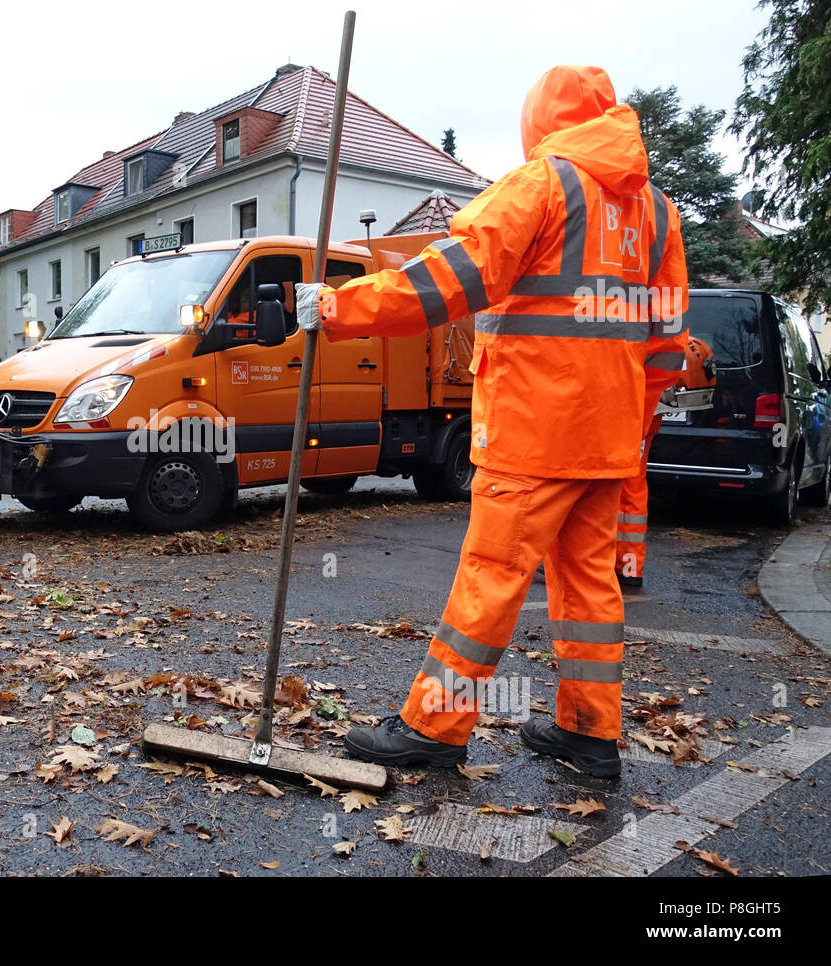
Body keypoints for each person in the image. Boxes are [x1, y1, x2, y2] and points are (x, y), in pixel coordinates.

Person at [295, 65, 689, 777]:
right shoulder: (657, 213)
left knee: (492, 576)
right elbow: (667, 342)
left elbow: (446, 280)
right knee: (589, 586)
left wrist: (335, 307)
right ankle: (590, 734)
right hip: (607, 437)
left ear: (541, 121)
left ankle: (435, 728)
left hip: (533, 429)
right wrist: (637, 424)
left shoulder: (540, 186)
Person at [617, 336, 716, 589]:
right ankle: (628, 566)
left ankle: (621, 564)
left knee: (619, 490)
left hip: (629, 418)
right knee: (630, 491)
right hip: (639, 417)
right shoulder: (667, 341)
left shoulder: (639, 340)